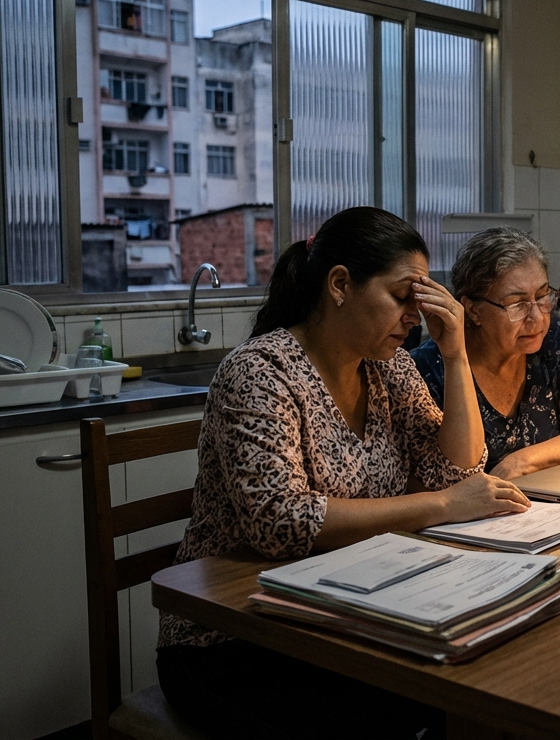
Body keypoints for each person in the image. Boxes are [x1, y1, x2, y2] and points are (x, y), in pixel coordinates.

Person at [157, 207, 530, 740]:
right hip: (230, 636)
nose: (414, 317)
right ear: (339, 284)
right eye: (403, 297)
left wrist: (455, 355)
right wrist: (445, 507)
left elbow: (454, 468)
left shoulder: (388, 367)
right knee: (405, 709)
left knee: (462, 684)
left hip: (339, 609)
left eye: (421, 300)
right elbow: (279, 522)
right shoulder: (260, 372)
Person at [412, 227, 560, 479]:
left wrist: (520, 462)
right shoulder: (427, 368)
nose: (537, 317)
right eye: (517, 304)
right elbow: (434, 482)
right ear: (473, 310)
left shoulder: (550, 341)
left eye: (542, 296)